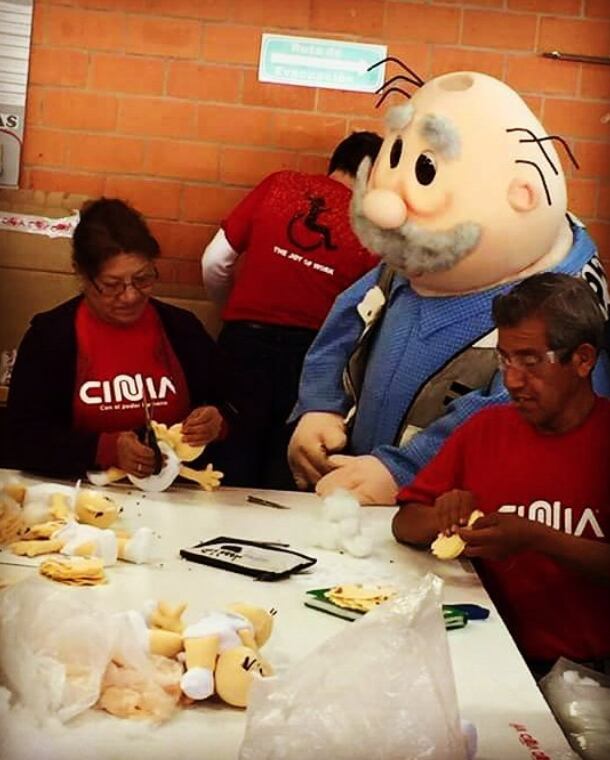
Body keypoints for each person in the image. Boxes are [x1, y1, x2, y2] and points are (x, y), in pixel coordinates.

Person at [288, 69, 610, 505]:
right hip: (362, 503)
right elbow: (343, 327)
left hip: (459, 521)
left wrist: (404, 469)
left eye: (424, 169)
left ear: (523, 194)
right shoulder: (409, 266)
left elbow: (513, 408)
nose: (383, 208)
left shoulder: (561, 313)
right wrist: (318, 405)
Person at [392, 273, 610, 677]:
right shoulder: (485, 428)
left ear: (583, 359)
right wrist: (442, 517)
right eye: (505, 359)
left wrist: (535, 538)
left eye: (530, 362)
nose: (511, 380)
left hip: (588, 677)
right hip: (479, 655)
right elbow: (405, 523)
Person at [5, 198, 236, 481]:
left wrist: (219, 421)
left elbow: (238, 403)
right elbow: (22, 439)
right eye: (112, 285)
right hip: (82, 500)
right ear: (82, 275)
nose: (130, 296)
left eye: (143, 279)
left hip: (176, 498)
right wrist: (104, 448)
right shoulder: (51, 337)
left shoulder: (181, 329)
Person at [201, 131, 383, 489]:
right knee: (286, 472)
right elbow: (370, 316)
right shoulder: (371, 228)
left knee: (224, 463)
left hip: (244, 344)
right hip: (311, 361)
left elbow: (214, 261)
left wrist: (233, 312)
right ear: (371, 174)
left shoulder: (279, 185)